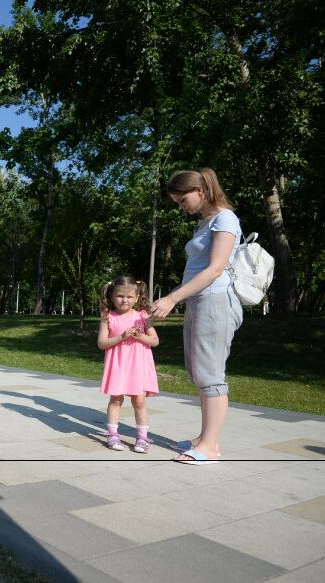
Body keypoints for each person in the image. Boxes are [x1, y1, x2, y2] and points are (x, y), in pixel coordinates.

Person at [149, 168, 242, 465]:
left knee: (211, 375)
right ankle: (203, 439)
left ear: (200, 191)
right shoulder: (206, 222)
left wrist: (173, 297)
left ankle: (211, 447)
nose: (181, 206)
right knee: (200, 373)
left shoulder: (226, 219)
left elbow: (215, 269)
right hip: (199, 302)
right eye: (176, 201)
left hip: (215, 301)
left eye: (182, 199)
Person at [97, 276, 160, 453]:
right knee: (116, 399)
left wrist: (140, 336)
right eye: (120, 296)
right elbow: (102, 343)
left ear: (137, 297)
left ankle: (142, 437)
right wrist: (122, 337)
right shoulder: (108, 318)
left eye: (129, 297)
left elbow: (154, 341)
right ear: (112, 296)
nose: (125, 300)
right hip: (118, 364)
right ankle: (112, 434)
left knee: (139, 400)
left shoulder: (143, 316)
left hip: (137, 365)